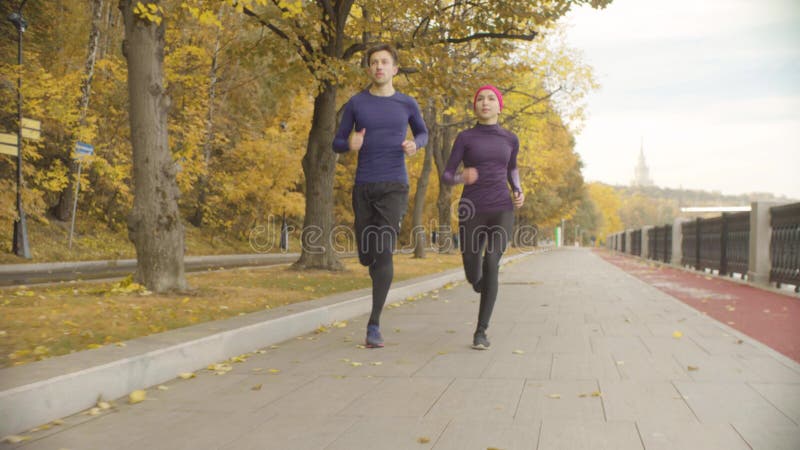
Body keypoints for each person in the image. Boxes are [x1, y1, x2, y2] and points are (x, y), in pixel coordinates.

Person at [333, 43, 429, 348]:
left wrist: (416, 144)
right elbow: (336, 142)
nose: (379, 67)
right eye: (374, 62)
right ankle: (367, 256)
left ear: (394, 69)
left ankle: (374, 324)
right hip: (364, 185)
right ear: (369, 69)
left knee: (384, 249)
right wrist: (350, 143)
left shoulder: (407, 104)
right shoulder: (356, 104)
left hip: (394, 186)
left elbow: (424, 133)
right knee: (367, 254)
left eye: (384, 62)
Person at [441, 85, 524, 350]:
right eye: (480, 99)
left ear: (499, 106)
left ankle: (481, 331)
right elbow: (447, 175)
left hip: (502, 208)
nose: (485, 102)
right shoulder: (465, 138)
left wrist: (518, 190)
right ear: (475, 106)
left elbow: (512, 169)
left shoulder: (510, 139)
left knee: (492, 262)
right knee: (473, 271)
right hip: (472, 209)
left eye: (491, 99)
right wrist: (460, 177)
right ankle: (480, 283)